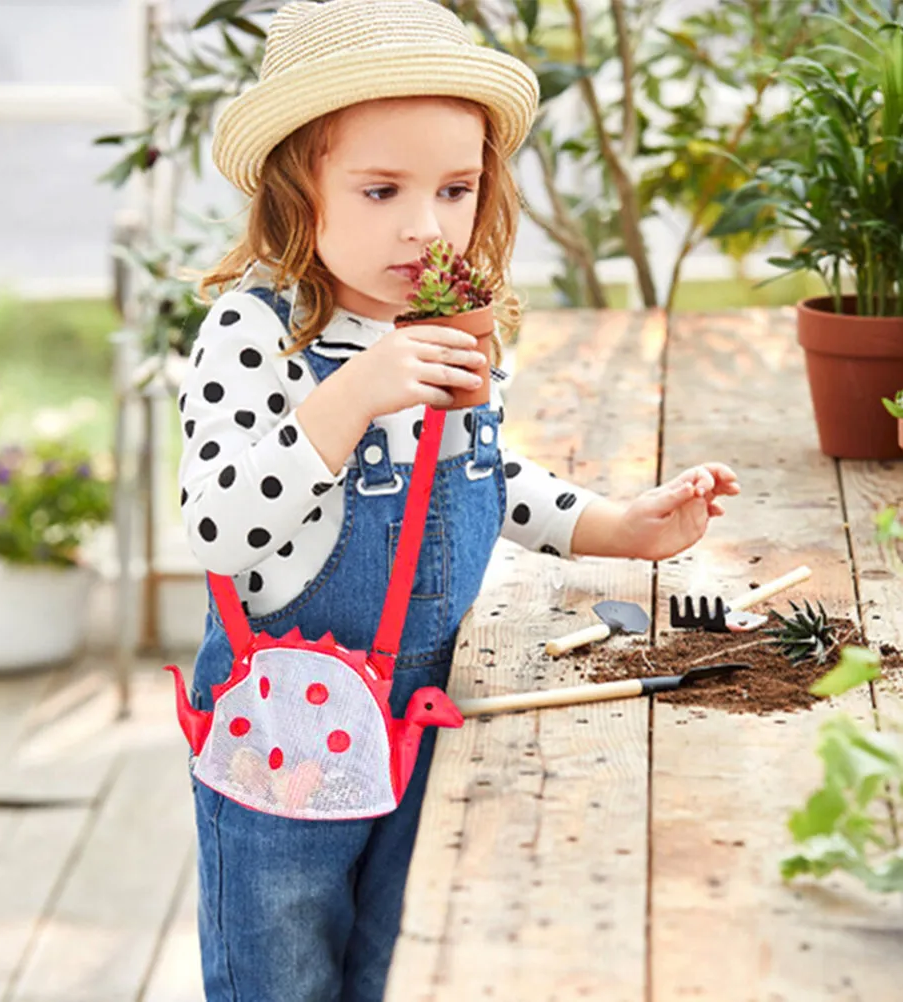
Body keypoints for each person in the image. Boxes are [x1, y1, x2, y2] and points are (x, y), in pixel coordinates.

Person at [176, 1, 741, 999]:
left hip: (432, 713)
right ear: (294, 196)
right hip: (289, 739)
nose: (427, 226)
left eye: (457, 188)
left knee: (395, 960)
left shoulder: (452, 325)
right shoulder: (256, 334)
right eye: (382, 188)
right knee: (282, 966)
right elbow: (219, 530)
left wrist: (611, 524)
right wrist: (353, 392)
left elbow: (478, 469)